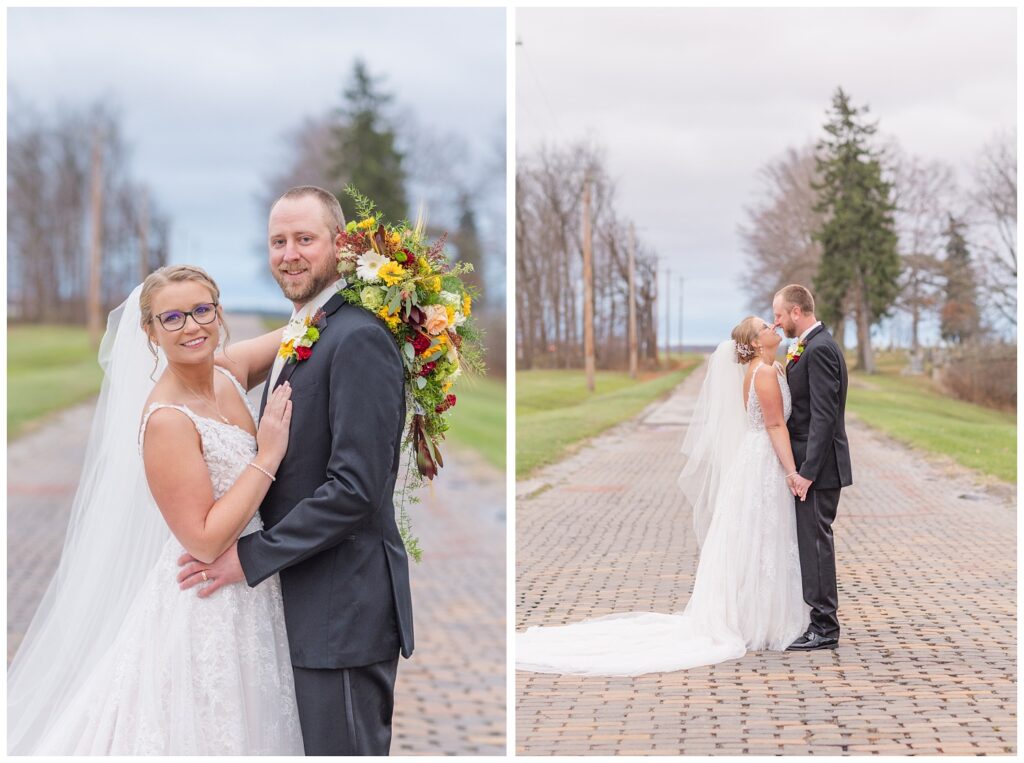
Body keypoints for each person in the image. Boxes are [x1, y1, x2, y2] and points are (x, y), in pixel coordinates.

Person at [7, 265, 304, 754]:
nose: (192, 327)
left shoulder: (228, 372)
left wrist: (369, 284)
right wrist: (268, 454)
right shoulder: (167, 419)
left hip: (252, 586)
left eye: (202, 310)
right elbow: (204, 539)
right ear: (150, 332)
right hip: (207, 600)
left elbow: (302, 327)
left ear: (219, 311)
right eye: (172, 318)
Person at [176, 186, 414, 755]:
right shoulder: (310, 328)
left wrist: (249, 556)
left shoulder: (357, 338)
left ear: (340, 245)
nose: (289, 253)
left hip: (344, 612)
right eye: (278, 241)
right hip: (309, 606)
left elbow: (356, 489)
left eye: (305, 239)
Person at [515, 316, 808, 676]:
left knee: (763, 536)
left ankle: (764, 614)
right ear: (755, 340)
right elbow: (775, 424)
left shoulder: (772, 366)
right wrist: (793, 472)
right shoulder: (762, 373)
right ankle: (755, 620)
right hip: (763, 459)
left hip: (763, 458)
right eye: (766, 326)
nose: (773, 328)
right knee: (758, 534)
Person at [772, 284, 852, 651]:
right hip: (812, 463)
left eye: (779, 315)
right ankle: (819, 621)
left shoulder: (819, 349)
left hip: (817, 468)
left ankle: (824, 628)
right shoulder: (810, 345)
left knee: (816, 545)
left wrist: (806, 472)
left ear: (797, 312)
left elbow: (823, 417)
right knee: (811, 543)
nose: (776, 322)